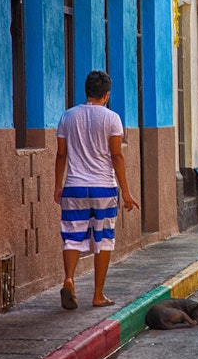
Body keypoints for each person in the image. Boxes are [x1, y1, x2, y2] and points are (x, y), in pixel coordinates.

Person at [54, 70, 140, 311]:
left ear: (86, 91)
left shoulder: (67, 117)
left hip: (74, 187)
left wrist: (57, 186)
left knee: (71, 235)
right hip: (104, 188)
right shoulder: (112, 118)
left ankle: (69, 279)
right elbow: (116, 155)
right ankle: (98, 295)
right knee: (103, 240)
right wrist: (126, 191)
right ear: (107, 95)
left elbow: (61, 154)